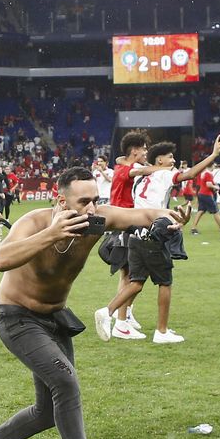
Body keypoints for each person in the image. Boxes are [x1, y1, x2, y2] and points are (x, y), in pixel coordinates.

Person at [0, 167, 180, 439]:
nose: (91, 209)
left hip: (55, 317)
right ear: (60, 201)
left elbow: (141, 214)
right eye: (83, 201)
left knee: (48, 412)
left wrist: (166, 217)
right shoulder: (36, 223)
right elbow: (1, 259)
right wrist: (52, 233)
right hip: (16, 317)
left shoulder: (96, 219)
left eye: (95, 200)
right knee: (66, 383)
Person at [99, 136, 220, 345]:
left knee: (136, 281)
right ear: (159, 161)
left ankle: (117, 319)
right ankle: (161, 331)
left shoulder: (141, 177)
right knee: (165, 281)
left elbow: (126, 161)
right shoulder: (165, 175)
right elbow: (191, 174)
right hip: (153, 229)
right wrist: (212, 155)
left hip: (134, 230)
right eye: (170, 157)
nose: (174, 160)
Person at [95, 133, 148, 339]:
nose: (146, 152)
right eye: (143, 148)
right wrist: (162, 168)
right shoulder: (126, 170)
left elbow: (127, 163)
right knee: (130, 275)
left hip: (125, 221)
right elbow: (142, 169)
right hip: (125, 222)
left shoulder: (121, 166)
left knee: (128, 273)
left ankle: (125, 315)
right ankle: (120, 321)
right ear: (134, 150)